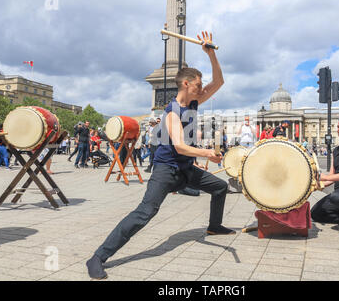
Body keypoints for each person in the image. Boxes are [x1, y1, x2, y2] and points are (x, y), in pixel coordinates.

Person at [87, 31, 234, 280]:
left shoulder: (194, 102)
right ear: (186, 84)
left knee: (219, 188)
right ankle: (97, 257)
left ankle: (214, 226)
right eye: (198, 84)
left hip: (186, 170)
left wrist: (212, 55)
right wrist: (207, 153)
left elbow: (219, 82)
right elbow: (179, 146)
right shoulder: (172, 112)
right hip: (167, 171)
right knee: (145, 213)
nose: (202, 88)